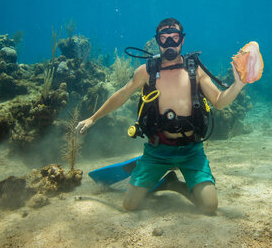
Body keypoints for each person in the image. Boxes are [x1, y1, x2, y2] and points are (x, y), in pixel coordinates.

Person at [75, 18, 246, 214]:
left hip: (192, 150)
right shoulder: (146, 71)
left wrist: (238, 85)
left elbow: (219, 101)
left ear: (182, 40)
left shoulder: (195, 69)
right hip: (157, 149)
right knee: (129, 205)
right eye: (165, 39)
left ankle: (172, 184)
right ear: (158, 41)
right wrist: (92, 118)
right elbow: (122, 94)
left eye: (175, 38)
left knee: (209, 207)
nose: (170, 44)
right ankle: (147, 169)